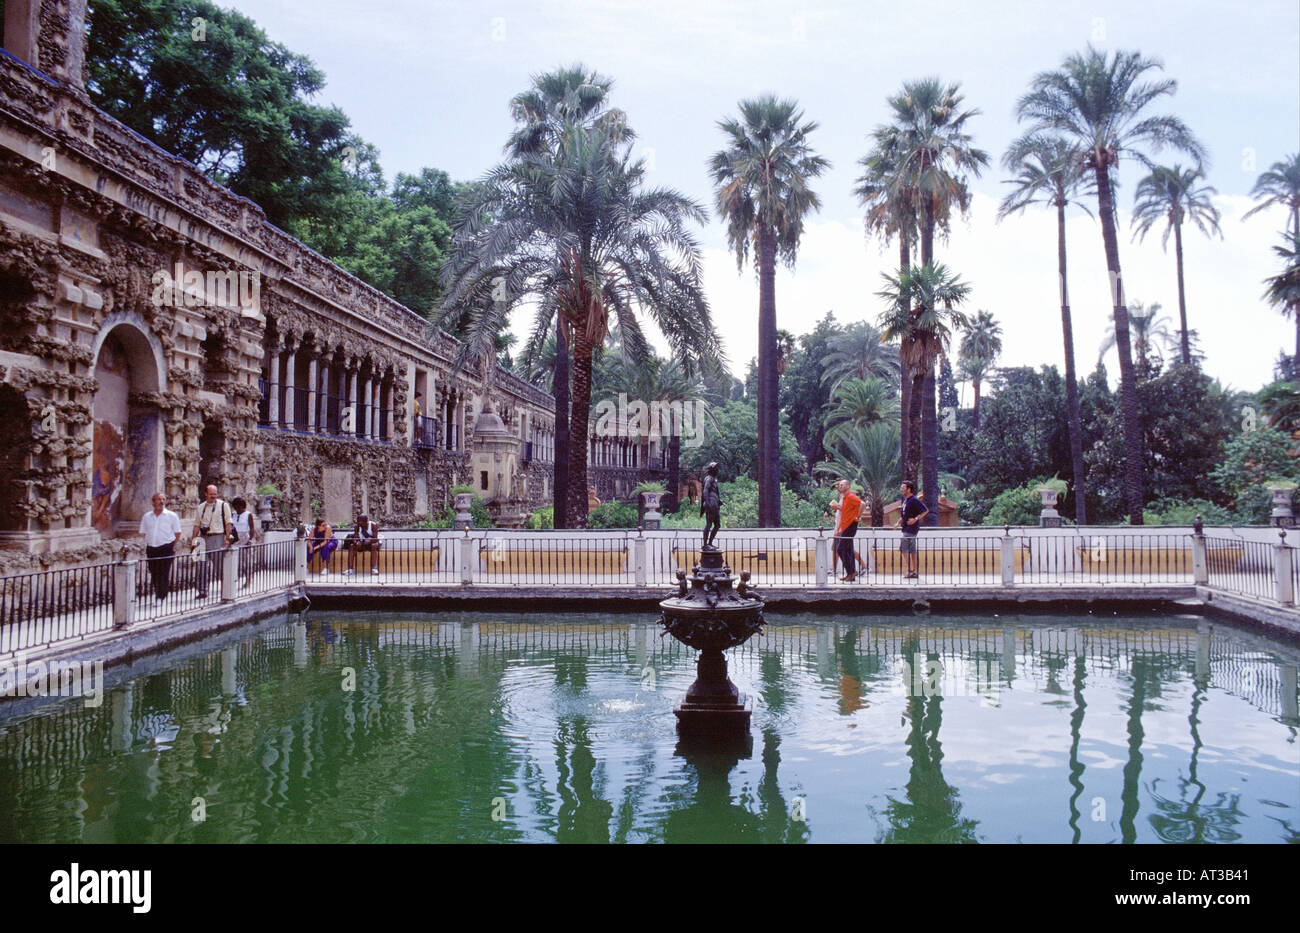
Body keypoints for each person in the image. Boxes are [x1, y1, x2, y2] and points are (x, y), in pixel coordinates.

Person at [191, 485, 233, 599]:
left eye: (215, 493)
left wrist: (227, 538)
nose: (213, 496)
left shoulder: (223, 506)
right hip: (203, 538)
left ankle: (225, 590)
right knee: (201, 566)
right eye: (211, 494)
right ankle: (202, 591)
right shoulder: (200, 507)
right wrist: (193, 541)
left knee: (219, 566)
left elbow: (228, 523)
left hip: (217, 536)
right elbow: (196, 525)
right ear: (206, 494)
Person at [140, 492, 182, 600]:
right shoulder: (146, 517)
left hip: (166, 547)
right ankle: (158, 592)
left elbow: (177, 533)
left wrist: (171, 545)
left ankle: (161, 596)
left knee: (164, 572)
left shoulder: (172, 516)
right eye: (159, 499)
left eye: (163, 499)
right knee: (154, 572)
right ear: (153, 502)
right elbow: (143, 532)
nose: (162, 502)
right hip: (152, 547)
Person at [894, 480, 930, 579]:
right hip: (906, 528)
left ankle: (912, 570)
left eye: (903, 488)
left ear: (909, 489)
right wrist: (898, 523)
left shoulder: (914, 500)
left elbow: (925, 510)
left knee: (906, 549)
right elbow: (904, 515)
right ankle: (913, 570)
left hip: (911, 529)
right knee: (909, 550)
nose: (901, 489)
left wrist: (915, 519)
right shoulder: (906, 501)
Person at [829, 478, 862, 582]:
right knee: (847, 550)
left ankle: (851, 572)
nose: (840, 486)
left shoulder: (851, 496)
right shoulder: (844, 498)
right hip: (845, 526)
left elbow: (862, 504)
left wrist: (858, 516)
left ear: (848, 486)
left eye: (842, 485)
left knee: (841, 549)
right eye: (839, 485)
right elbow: (845, 511)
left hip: (850, 525)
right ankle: (851, 573)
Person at [230, 496, 258, 588]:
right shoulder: (233, 514)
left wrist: (250, 540)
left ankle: (249, 579)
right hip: (236, 538)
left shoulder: (248, 514)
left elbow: (252, 527)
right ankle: (234, 579)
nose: (238, 509)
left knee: (247, 561)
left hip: (245, 537)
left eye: (239, 507)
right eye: (236, 507)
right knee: (235, 560)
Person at [700, 462, 722, 550]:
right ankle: (705, 545)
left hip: (715, 504)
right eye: (716, 469)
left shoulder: (713, 479)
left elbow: (714, 492)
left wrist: (719, 500)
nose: (717, 470)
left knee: (717, 525)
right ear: (712, 470)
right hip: (711, 505)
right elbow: (705, 491)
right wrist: (708, 503)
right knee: (709, 524)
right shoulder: (709, 479)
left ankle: (710, 543)